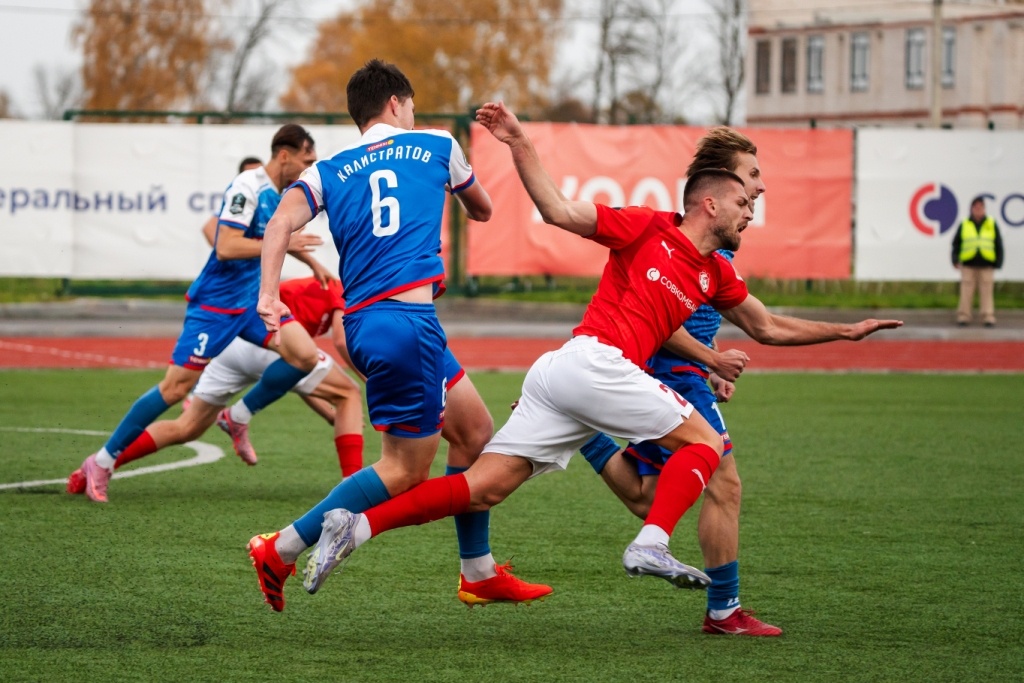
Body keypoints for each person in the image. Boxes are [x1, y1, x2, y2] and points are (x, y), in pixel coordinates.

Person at [296, 101, 903, 603]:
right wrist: (518, 142)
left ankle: (357, 526)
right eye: (747, 201)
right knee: (706, 446)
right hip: (590, 363)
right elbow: (558, 210)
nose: (752, 211)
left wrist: (846, 331)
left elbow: (767, 327)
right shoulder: (645, 226)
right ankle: (652, 543)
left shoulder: (716, 274)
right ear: (711, 203)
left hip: (565, 376)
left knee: (483, 487)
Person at [246, 60, 549, 613]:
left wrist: (269, 294)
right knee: (404, 470)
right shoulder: (436, 144)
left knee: (474, 431)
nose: (413, 114)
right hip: (407, 324)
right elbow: (482, 210)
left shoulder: (329, 169)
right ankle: (281, 548)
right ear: (395, 103)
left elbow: (280, 223)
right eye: (410, 105)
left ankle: (478, 571)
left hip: (368, 324)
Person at [572, 126, 786, 636]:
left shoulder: (722, 234)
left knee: (648, 495)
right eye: (752, 174)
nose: (760, 186)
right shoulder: (688, 231)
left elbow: (698, 309)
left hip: (680, 371)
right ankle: (724, 611)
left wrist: (709, 366)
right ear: (721, 184)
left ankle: (585, 433)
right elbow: (660, 315)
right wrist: (709, 360)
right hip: (668, 371)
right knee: (724, 481)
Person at [74, 125, 326, 503]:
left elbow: (276, 237)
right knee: (175, 389)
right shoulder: (247, 186)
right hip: (215, 307)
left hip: (251, 304)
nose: (310, 169)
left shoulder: (282, 193)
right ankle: (102, 461)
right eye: (307, 160)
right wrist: (287, 243)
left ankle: (238, 416)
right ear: (285, 155)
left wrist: (312, 262)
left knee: (305, 356)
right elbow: (226, 246)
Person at [65, 276, 365, 495]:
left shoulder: (321, 287)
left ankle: (99, 465)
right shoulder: (346, 287)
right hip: (264, 340)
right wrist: (369, 377)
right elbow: (340, 341)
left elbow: (295, 374)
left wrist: (330, 413)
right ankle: (352, 490)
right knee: (349, 392)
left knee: (187, 427)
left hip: (236, 345)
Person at [952, 196, 1004, 327]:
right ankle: (964, 316)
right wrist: (955, 259)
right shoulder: (965, 223)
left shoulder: (991, 223)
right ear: (971, 209)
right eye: (975, 207)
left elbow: (998, 243)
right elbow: (956, 243)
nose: (978, 210)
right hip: (968, 263)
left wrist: (998, 261)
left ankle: (988, 316)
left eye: (980, 207)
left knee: (987, 292)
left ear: (984, 209)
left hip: (986, 264)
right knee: (966, 291)